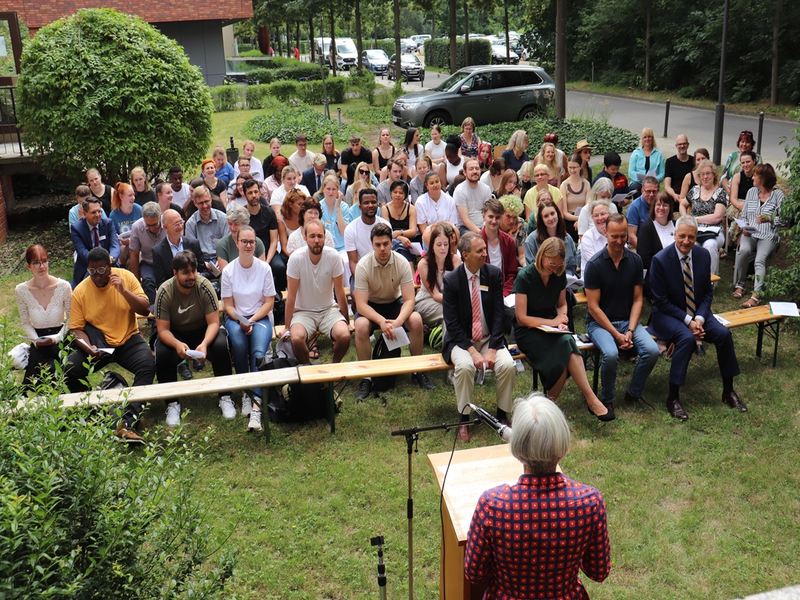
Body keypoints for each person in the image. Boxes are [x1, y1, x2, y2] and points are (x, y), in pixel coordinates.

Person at [464, 393, 612, 598]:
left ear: (517, 448)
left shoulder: (492, 505)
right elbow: (599, 572)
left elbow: (474, 573)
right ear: (563, 448)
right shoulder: (589, 502)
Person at [649, 215, 746, 420]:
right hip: (667, 314)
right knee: (687, 338)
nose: (686, 241)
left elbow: (707, 293)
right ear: (674, 234)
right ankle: (673, 398)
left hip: (698, 313)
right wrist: (689, 321)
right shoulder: (660, 260)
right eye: (682, 236)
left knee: (723, 334)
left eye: (691, 237)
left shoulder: (703, 255)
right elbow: (660, 301)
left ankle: (728, 390)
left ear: (696, 237)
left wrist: (700, 318)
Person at [514, 238, 611, 420]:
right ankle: (589, 399)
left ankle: (548, 409)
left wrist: (562, 318)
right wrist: (553, 322)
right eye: (551, 263)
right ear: (542, 256)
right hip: (528, 332)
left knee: (566, 344)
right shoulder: (525, 276)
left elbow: (561, 304)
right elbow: (522, 318)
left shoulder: (558, 275)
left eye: (558, 265)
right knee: (566, 352)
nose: (554, 268)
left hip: (551, 328)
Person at [65, 247, 154, 443]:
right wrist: (88, 347)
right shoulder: (80, 291)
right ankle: (91, 414)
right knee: (70, 369)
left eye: (101, 271)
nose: (96, 276)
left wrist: (123, 290)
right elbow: (76, 329)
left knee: (147, 365)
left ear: (110, 266)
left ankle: (127, 423)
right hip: (99, 341)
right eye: (92, 271)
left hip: (128, 337)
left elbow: (145, 309)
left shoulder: (126, 277)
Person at [442, 233, 516, 442]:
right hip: (461, 341)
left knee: (507, 365)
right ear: (465, 255)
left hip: (488, 338)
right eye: (479, 251)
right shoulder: (451, 281)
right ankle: (464, 418)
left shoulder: (493, 274)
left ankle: (502, 415)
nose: (485, 254)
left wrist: (492, 348)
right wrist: (472, 351)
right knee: (465, 367)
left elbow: (499, 314)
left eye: (485, 249)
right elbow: (452, 324)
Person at [585, 213, 659, 411]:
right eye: (614, 236)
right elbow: (593, 307)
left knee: (652, 352)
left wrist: (630, 331)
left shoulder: (635, 261)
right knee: (610, 354)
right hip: (599, 323)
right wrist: (617, 335)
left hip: (627, 321)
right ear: (605, 233)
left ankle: (633, 393)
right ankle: (607, 399)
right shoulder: (594, 265)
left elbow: (638, 299)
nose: (619, 241)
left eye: (623, 236)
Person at [352, 223, 434, 400]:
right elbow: (361, 305)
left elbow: (410, 300)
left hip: (395, 303)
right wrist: (381, 321)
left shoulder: (402, 262)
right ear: (372, 244)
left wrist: (397, 322)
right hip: (371, 306)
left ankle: (417, 370)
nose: (382, 248)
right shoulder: (363, 265)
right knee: (360, 326)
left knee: (416, 320)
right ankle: (366, 377)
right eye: (378, 245)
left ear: (392, 243)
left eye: (386, 244)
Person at [154, 250, 234, 427]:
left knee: (221, 345)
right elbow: (162, 330)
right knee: (163, 352)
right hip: (176, 333)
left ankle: (226, 396)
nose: (191, 276)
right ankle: (172, 403)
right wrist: (176, 344)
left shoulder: (204, 286)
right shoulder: (164, 291)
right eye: (185, 272)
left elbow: (214, 323)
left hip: (203, 330)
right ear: (175, 273)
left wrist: (204, 344)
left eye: (193, 271)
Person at [221, 225, 276, 431]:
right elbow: (228, 305)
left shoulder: (264, 268)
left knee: (258, 353)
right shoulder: (228, 271)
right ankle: (245, 391)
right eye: (244, 241)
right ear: (236, 243)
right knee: (238, 343)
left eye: (251, 242)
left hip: (260, 317)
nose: (248, 245)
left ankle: (256, 407)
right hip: (236, 319)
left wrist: (251, 320)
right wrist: (242, 321)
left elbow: (269, 302)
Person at [283, 219, 351, 364]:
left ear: (325, 237)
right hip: (303, 312)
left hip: (328, 310)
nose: (316, 240)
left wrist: (347, 321)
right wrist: (287, 327)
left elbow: (340, 292)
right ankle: (308, 370)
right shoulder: (296, 258)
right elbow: (292, 295)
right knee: (296, 338)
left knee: (345, 336)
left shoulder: (333, 256)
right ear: (305, 238)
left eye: (320, 236)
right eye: (312, 236)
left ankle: (334, 368)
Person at [15, 244, 72, 388]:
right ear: (28, 266)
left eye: (44, 261)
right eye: (36, 262)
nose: (42, 266)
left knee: (70, 375)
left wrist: (56, 338)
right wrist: (35, 340)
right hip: (38, 341)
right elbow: (26, 323)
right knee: (41, 378)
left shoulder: (63, 286)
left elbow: (72, 318)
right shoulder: (21, 290)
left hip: (61, 337)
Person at [733, 163, 783, 308]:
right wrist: (745, 227)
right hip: (751, 232)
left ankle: (756, 295)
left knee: (759, 260)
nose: (753, 178)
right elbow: (746, 214)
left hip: (768, 235)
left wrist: (770, 218)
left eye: (755, 175)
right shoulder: (751, 192)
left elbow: (785, 219)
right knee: (743, 250)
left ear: (763, 178)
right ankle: (740, 285)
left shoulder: (777, 195)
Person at [680, 159, 727, 276]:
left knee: (709, 245)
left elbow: (717, 217)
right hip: (695, 231)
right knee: (689, 243)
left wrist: (695, 219)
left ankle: (709, 279)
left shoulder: (720, 192)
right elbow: (682, 204)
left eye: (708, 174)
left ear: (714, 175)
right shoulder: (695, 190)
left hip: (714, 231)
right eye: (703, 174)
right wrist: (686, 218)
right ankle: (689, 276)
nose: (705, 177)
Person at [414, 223, 461, 327]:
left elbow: (459, 286)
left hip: (449, 299)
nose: (443, 248)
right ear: (432, 246)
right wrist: (456, 301)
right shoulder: (424, 264)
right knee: (452, 312)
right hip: (427, 300)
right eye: (439, 245)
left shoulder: (455, 260)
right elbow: (435, 294)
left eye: (446, 244)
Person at [241, 179, 284, 290]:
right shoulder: (242, 215)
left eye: (256, 192)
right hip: (249, 253)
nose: (254, 195)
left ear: (260, 193)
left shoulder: (269, 213)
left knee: (280, 268)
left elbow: (274, 240)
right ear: (245, 195)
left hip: (268, 252)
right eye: (250, 193)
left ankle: (279, 298)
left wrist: (266, 261)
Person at [70, 196, 120, 288]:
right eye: (93, 212)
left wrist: (111, 258)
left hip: (109, 264)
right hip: (88, 267)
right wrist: (99, 264)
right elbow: (82, 252)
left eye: (99, 211)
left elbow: (115, 245)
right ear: (84, 213)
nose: (97, 215)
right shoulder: (77, 228)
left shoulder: (108, 224)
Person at [344, 188, 391, 285]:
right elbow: (353, 262)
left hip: (384, 272)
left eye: (373, 202)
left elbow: (389, 256)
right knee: (356, 295)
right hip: (361, 273)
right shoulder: (350, 229)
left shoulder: (386, 225)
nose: (370, 205)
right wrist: (363, 283)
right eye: (366, 203)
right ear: (360, 207)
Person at [153, 209, 206, 290]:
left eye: (181, 222)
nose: (181, 226)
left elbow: (204, 272)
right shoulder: (158, 251)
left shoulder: (193, 244)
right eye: (176, 224)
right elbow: (161, 282)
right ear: (165, 227)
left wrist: (196, 277)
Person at [637, 192, 676, 299]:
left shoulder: (676, 225)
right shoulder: (647, 228)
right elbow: (644, 260)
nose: (661, 208)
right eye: (658, 205)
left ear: (670, 208)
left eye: (665, 205)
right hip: (656, 276)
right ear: (653, 207)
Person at [524, 198, 578, 274]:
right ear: (541, 219)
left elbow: (572, 266)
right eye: (546, 216)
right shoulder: (531, 241)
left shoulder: (567, 238)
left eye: (552, 213)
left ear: (557, 214)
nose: (551, 218)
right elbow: (531, 269)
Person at [128, 201, 166, 305]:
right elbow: (134, 254)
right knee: (147, 281)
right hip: (148, 262)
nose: (152, 228)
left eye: (155, 224)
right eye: (148, 225)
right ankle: (152, 316)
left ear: (160, 217)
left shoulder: (168, 222)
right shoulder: (137, 227)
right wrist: (136, 280)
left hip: (167, 261)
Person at [480, 198, 518, 297]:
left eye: (497, 217)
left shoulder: (508, 241)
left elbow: (512, 273)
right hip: (483, 291)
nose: (494, 221)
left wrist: (504, 293)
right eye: (490, 217)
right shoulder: (476, 242)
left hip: (504, 291)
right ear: (483, 217)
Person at [184, 185, 229, 264]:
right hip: (200, 262)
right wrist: (203, 263)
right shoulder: (190, 224)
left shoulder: (223, 218)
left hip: (221, 258)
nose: (204, 206)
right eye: (201, 203)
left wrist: (221, 260)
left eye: (206, 201)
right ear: (195, 203)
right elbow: (191, 251)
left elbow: (228, 244)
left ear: (211, 199)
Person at [216, 204, 266, 270]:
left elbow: (262, 269)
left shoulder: (258, 243)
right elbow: (225, 272)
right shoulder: (222, 245)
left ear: (245, 224)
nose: (232, 228)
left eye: (236, 224)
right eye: (230, 224)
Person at [415, 171, 458, 247]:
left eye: (437, 182)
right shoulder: (420, 202)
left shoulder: (450, 200)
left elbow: (452, 226)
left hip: (447, 238)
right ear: (426, 185)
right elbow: (424, 230)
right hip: (429, 238)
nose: (435, 185)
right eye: (431, 183)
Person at [727, 149, 757, 248]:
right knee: (742, 215)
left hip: (752, 206)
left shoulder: (758, 177)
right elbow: (733, 198)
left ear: (754, 161)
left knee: (743, 215)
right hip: (736, 205)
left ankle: (731, 240)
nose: (745, 165)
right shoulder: (737, 177)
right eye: (743, 163)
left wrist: (746, 207)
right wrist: (740, 206)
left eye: (748, 162)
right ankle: (739, 246)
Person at [454, 158, 492, 235]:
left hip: (484, 226)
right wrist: (481, 234)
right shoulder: (460, 190)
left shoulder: (486, 189)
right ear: (465, 172)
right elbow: (465, 220)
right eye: (471, 169)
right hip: (465, 228)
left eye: (477, 168)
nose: (474, 171)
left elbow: (488, 213)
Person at [109, 182, 143, 267]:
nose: (133, 198)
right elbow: (113, 237)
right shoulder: (114, 215)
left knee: (134, 252)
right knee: (127, 251)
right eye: (130, 195)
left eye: (133, 195)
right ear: (121, 197)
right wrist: (122, 241)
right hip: (122, 246)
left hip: (139, 245)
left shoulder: (139, 210)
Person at [558, 153, 590, 242]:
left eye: (574, 167)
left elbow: (588, 206)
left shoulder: (586, 184)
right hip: (570, 219)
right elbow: (564, 213)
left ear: (581, 166)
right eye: (570, 167)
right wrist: (579, 219)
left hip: (584, 216)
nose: (572, 170)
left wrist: (581, 219)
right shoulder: (564, 185)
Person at [721, 130, 761, 195]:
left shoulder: (757, 158)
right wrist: (730, 192)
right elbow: (723, 176)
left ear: (751, 145)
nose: (744, 144)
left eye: (747, 142)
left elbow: (761, 177)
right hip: (730, 191)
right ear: (739, 143)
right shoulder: (733, 156)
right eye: (742, 141)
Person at [580, 198, 612, 275]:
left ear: (610, 214)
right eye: (596, 215)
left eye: (603, 214)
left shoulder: (616, 233)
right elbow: (595, 265)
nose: (600, 218)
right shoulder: (587, 238)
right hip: (594, 278)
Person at [626, 175, 659, 249]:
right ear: (642, 191)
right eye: (648, 191)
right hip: (639, 245)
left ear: (658, 190)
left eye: (654, 191)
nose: (651, 195)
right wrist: (645, 251)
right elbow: (631, 236)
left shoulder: (662, 205)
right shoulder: (634, 207)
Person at [628, 127, 665, 191]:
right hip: (638, 182)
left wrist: (654, 180)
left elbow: (662, 173)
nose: (647, 139)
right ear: (642, 139)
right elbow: (631, 172)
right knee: (638, 188)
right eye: (645, 137)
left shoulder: (659, 154)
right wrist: (643, 179)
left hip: (653, 183)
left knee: (652, 190)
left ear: (652, 138)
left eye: (649, 136)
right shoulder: (636, 153)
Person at [497, 194, 527, 268]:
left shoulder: (520, 223)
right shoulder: (494, 223)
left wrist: (526, 266)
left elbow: (522, 255)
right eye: (508, 216)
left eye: (514, 217)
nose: (511, 221)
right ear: (501, 214)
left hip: (514, 259)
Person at [664, 134, 694, 202]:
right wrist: (674, 195)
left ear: (688, 145)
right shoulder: (670, 162)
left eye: (684, 144)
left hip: (690, 196)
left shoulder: (694, 161)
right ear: (676, 146)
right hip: (674, 196)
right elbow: (667, 186)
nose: (682, 146)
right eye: (680, 144)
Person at [277, 188, 305, 259]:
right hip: (291, 254)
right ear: (290, 204)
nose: (302, 207)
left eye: (303, 204)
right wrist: (293, 257)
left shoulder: (306, 218)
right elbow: (284, 247)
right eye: (299, 204)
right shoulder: (282, 222)